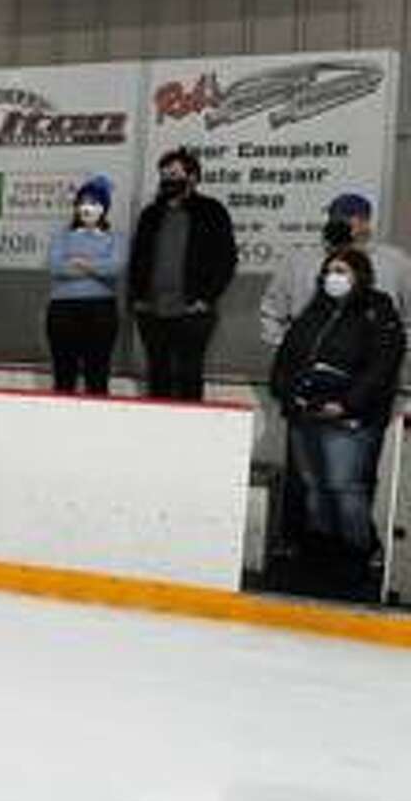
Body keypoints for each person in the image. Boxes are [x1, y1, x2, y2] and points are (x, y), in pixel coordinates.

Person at [269, 248, 405, 578]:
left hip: (348, 419)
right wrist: (289, 396)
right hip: (306, 415)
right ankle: (323, 558)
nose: (334, 277)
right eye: (330, 270)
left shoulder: (378, 309)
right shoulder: (314, 310)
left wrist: (347, 403)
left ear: (360, 274)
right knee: (314, 488)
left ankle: (361, 554)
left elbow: (383, 365)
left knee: (345, 490)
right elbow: (286, 360)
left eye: (342, 270)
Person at [127, 149, 237, 402]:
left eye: (175, 174)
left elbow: (227, 259)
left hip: (193, 312)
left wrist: (206, 299)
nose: (168, 180)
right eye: (164, 175)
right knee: (158, 375)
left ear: (193, 177)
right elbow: (138, 259)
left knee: (189, 375)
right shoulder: (151, 214)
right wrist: (138, 298)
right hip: (152, 312)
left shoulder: (212, 211)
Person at [260, 192, 411, 348]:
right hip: (309, 361)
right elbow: (272, 311)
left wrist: (393, 354)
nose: (341, 224)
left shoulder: (395, 262)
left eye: (350, 218)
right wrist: (285, 348)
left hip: (372, 359)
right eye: (336, 218)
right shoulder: (297, 261)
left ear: (366, 222)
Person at [44, 176, 127, 395]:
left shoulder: (115, 238)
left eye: (94, 203)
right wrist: (96, 267)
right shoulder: (61, 236)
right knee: (64, 373)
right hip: (63, 310)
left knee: (97, 374)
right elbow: (55, 266)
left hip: (102, 310)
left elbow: (115, 267)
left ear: (104, 208)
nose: (87, 208)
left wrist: (81, 263)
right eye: (83, 203)